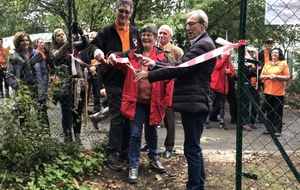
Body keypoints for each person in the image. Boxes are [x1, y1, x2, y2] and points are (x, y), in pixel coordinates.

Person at [135, 9, 216, 190]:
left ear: (203, 25)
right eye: (187, 23)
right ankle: (197, 185)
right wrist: (155, 64)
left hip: (196, 103)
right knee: (193, 147)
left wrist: (150, 75)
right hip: (193, 102)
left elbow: (180, 68)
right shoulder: (200, 44)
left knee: (192, 149)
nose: (188, 27)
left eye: (192, 23)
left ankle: (194, 187)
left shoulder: (203, 45)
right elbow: (179, 64)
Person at [107, 24, 173, 184]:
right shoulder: (132, 55)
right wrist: (111, 56)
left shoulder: (162, 57)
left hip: (154, 103)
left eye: (149, 35)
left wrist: (167, 102)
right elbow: (116, 58)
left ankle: (153, 157)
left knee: (153, 132)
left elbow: (170, 76)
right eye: (143, 34)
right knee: (135, 133)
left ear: (155, 38)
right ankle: (133, 164)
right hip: (136, 102)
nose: (146, 37)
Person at [86, 0, 141, 172]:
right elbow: (90, 47)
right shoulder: (106, 31)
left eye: (126, 12)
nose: (123, 15)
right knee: (117, 114)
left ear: (130, 13)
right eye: (121, 11)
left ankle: (125, 150)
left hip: (131, 79)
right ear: (116, 10)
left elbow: (138, 52)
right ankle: (112, 152)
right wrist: (97, 52)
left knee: (128, 114)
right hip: (112, 79)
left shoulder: (135, 33)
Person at [141, 24, 184, 158]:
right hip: (154, 89)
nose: (161, 36)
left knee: (169, 119)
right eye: (159, 33)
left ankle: (169, 147)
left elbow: (182, 68)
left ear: (170, 36)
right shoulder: (153, 49)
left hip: (169, 89)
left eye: (164, 34)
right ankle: (149, 144)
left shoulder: (176, 51)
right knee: (150, 118)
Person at [49, 28, 89, 143]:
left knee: (77, 111)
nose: (61, 36)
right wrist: (68, 43)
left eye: (62, 34)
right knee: (66, 113)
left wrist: (81, 33)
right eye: (58, 35)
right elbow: (56, 55)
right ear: (55, 39)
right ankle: (67, 137)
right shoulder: (54, 49)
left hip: (78, 82)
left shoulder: (74, 46)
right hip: (64, 85)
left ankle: (77, 136)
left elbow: (86, 43)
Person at [6, 31, 49, 127]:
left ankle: (46, 138)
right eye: (22, 41)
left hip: (38, 90)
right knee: (24, 118)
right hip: (23, 92)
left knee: (42, 117)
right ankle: (27, 140)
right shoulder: (13, 57)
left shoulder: (37, 55)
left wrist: (44, 85)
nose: (25, 42)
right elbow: (9, 76)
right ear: (17, 43)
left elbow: (44, 72)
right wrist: (18, 87)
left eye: (27, 40)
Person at [260, 47, 290, 137]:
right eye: (273, 52)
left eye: (276, 53)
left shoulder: (283, 64)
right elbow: (261, 76)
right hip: (268, 90)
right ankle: (269, 128)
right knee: (269, 110)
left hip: (279, 91)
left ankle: (277, 130)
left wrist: (276, 77)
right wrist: (269, 76)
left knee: (277, 110)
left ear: (280, 54)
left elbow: (287, 76)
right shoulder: (267, 64)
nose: (274, 54)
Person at [205, 51, 235, 130]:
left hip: (223, 87)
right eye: (224, 53)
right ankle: (206, 120)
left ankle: (222, 122)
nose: (225, 54)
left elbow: (232, 74)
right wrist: (226, 56)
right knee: (210, 103)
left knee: (222, 106)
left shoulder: (228, 63)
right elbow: (219, 66)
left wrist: (229, 72)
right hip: (214, 86)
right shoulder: (216, 61)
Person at [258, 38, 275, 116]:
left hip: (272, 77)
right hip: (262, 76)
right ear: (265, 44)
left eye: (271, 43)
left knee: (270, 96)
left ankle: (265, 114)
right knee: (264, 96)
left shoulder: (275, 53)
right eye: (268, 43)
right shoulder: (261, 53)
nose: (269, 44)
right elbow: (259, 64)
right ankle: (262, 114)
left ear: (273, 44)